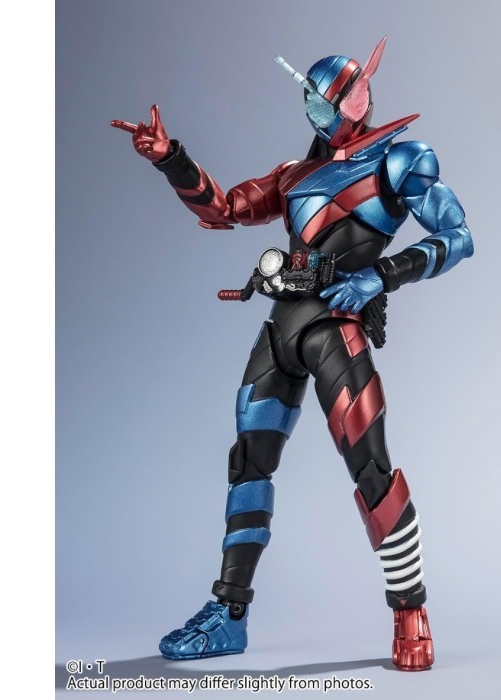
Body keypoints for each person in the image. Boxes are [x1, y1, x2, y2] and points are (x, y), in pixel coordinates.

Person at [111, 37, 473, 672]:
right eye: (308, 96)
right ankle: (228, 613)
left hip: (337, 329)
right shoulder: (295, 175)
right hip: (284, 328)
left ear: (358, 98)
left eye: (327, 96)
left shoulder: (400, 160)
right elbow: (225, 207)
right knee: (249, 461)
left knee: (371, 469)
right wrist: (172, 159)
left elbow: (458, 235)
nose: (314, 107)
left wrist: (382, 275)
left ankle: (410, 609)